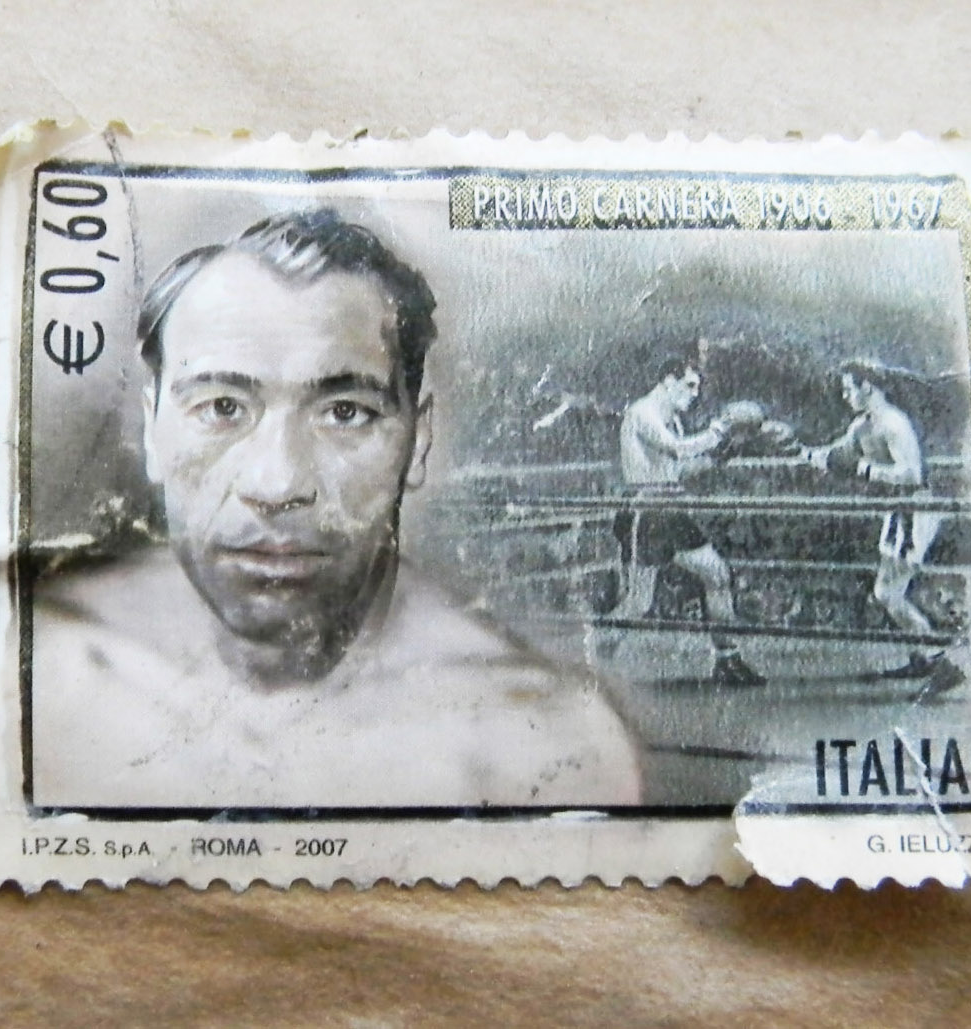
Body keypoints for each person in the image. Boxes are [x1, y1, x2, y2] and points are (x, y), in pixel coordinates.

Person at [31, 210, 642, 809]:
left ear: (418, 440)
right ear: (152, 431)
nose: (277, 484)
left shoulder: (545, 746)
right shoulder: (46, 675)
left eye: (345, 413)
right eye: (221, 408)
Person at [804, 361, 962, 693]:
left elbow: (912, 474)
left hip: (915, 510)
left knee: (888, 593)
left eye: (849, 388)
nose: (844, 395)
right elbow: (836, 453)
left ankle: (940, 662)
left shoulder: (894, 424)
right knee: (887, 592)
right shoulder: (861, 425)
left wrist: (863, 469)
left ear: (868, 387)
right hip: (896, 511)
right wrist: (802, 452)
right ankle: (921, 658)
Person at [613, 355, 766, 686]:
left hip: (672, 507)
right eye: (690, 385)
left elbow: (679, 470)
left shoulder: (674, 421)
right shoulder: (642, 413)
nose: (695, 394)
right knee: (638, 603)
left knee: (717, 574)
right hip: (646, 510)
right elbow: (678, 450)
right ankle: (594, 659)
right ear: (668, 380)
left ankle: (727, 660)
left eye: (698, 387)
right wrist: (720, 429)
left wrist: (723, 454)